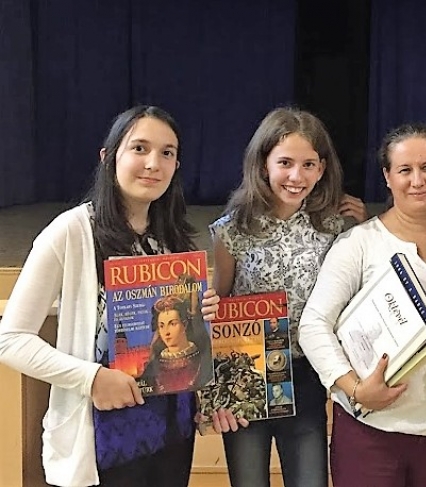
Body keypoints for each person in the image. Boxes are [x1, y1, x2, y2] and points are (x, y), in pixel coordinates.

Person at [0, 105, 228, 487]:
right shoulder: (71, 232)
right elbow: (10, 339)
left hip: (171, 432)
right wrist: (91, 378)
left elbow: (172, 337)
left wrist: (200, 316)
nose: (153, 163)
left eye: (167, 153)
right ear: (109, 157)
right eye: (139, 148)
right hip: (100, 441)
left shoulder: (171, 239)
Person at [299, 123, 426, 487]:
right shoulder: (358, 243)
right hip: (370, 434)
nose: (417, 181)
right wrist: (354, 389)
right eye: (404, 170)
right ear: (387, 176)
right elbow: (313, 325)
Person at [208, 107, 368, 487]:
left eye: (308, 164)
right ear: (263, 164)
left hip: (306, 373)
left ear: (322, 168)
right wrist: (215, 393)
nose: (297, 176)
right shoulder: (232, 230)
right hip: (247, 378)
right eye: (285, 163)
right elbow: (220, 306)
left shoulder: (333, 225)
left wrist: (365, 228)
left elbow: (357, 294)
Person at [144, 293, 212, 394]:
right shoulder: (153, 367)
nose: (166, 332)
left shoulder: (203, 358)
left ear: (184, 324)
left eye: (172, 324)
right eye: (161, 326)